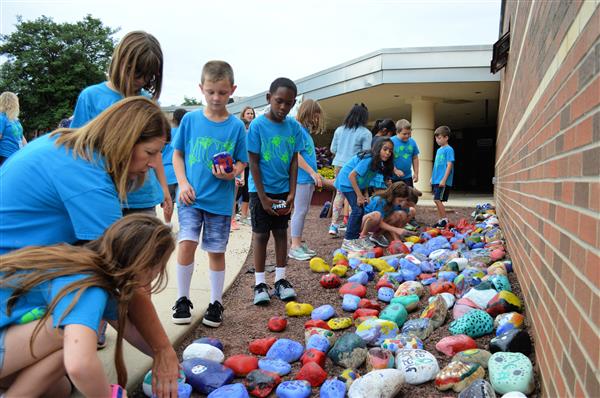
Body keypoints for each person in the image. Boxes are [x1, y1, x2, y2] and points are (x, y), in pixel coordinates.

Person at [0, 97, 181, 398]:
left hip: (15, 297)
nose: (152, 165)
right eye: (150, 153)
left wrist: (166, 357)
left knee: (58, 389)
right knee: (73, 334)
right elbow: (84, 359)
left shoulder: (70, 151)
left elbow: (118, 309)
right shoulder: (88, 181)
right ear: (126, 140)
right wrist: (162, 350)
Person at [0, 214, 174, 397]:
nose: (159, 272)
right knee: (70, 338)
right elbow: (79, 364)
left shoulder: (91, 266)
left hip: (7, 348)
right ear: (145, 265)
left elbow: (129, 329)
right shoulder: (89, 286)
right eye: (160, 266)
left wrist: (165, 359)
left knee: (60, 390)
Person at [171, 61, 247, 328]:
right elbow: (177, 153)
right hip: (191, 198)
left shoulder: (237, 127)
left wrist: (232, 173)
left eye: (222, 92)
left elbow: (241, 161)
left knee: (216, 250)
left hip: (220, 200)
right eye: (211, 91)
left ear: (232, 90)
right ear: (201, 88)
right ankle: (182, 299)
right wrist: (182, 183)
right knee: (187, 242)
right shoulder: (190, 120)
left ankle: (216, 303)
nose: (216, 98)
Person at [71, 30, 173, 220]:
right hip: (104, 195)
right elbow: (79, 152)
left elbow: (155, 151)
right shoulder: (91, 97)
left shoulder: (148, 101)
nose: (141, 81)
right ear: (122, 61)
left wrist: (165, 189)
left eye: (148, 76)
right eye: (138, 73)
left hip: (143, 198)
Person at [248, 77, 304, 306]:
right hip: (260, 191)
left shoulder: (294, 127)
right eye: (279, 101)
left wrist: (292, 192)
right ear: (268, 98)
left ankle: (281, 280)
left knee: (281, 232)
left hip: (283, 190)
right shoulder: (257, 126)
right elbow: (253, 162)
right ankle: (260, 283)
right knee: (261, 235)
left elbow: (293, 161)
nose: (283, 107)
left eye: (289, 103)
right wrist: (262, 196)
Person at [333, 138, 394, 251]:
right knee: (357, 210)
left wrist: (365, 194)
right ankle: (348, 240)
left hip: (355, 184)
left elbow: (366, 178)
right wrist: (359, 196)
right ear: (378, 148)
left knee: (361, 209)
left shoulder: (378, 163)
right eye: (385, 149)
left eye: (390, 151)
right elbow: (352, 176)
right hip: (346, 182)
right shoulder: (369, 160)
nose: (387, 153)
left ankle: (357, 239)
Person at [288, 99, 326, 261]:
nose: (316, 120)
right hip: (302, 177)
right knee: (300, 210)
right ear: (308, 113)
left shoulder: (303, 130)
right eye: (315, 116)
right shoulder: (297, 128)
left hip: (306, 178)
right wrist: (312, 173)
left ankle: (298, 242)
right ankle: (294, 246)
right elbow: (296, 155)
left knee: (302, 211)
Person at [329, 103, 371, 237]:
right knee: (354, 197)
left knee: (339, 195)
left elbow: (332, 150)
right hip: (354, 168)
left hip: (339, 165)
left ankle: (333, 226)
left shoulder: (339, 130)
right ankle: (354, 227)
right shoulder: (365, 133)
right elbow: (366, 153)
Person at [162, 108, 188, 224]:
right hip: (182, 171)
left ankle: (167, 224)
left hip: (166, 171)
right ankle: (184, 226)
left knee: (168, 200)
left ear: (174, 119)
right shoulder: (186, 133)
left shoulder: (167, 133)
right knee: (183, 200)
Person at [233, 106, 255, 228]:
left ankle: (244, 216)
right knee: (238, 190)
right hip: (240, 163)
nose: (250, 115)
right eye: (248, 113)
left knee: (247, 191)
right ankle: (232, 215)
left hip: (251, 164)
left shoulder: (254, 130)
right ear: (243, 115)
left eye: (252, 113)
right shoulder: (240, 130)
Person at [431, 126, 455, 228]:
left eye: (439, 138)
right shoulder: (438, 150)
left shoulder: (449, 149)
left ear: (446, 138)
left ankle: (445, 220)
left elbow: (449, 165)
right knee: (436, 200)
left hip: (443, 180)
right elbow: (436, 165)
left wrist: (444, 180)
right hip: (436, 180)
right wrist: (432, 177)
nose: (437, 140)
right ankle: (441, 220)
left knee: (437, 200)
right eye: (436, 138)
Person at [368, 119, 396, 194]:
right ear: (384, 130)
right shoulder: (381, 140)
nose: (388, 153)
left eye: (390, 151)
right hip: (378, 174)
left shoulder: (373, 138)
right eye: (390, 134)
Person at [391, 119, 420, 187]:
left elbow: (415, 158)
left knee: (409, 196)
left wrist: (416, 173)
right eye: (404, 134)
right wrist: (395, 170)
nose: (407, 136)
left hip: (407, 177)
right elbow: (387, 159)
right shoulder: (391, 141)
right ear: (397, 132)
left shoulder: (412, 142)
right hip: (393, 177)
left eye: (409, 133)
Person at [0, 92, 26, 166]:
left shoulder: (15, 120)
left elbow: (21, 137)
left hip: (16, 155)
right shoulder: (1, 118)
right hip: (5, 156)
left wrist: (29, 150)